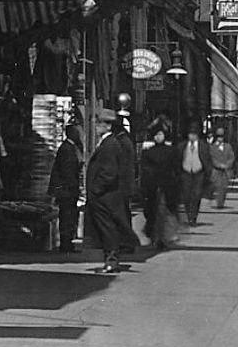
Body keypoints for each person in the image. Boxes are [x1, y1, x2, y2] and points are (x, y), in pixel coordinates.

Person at [85, 110, 138, 273]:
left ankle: (111, 260)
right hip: (105, 196)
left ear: (106, 125)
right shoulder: (107, 142)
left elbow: (109, 172)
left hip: (105, 197)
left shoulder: (110, 144)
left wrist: (95, 190)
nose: (95, 127)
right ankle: (110, 258)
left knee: (108, 229)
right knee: (107, 228)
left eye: (98, 123)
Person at [139, 117, 182, 249]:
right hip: (152, 187)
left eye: (161, 134)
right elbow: (144, 170)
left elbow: (177, 169)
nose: (158, 137)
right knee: (152, 213)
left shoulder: (171, 151)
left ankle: (161, 237)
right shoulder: (148, 152)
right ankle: (154, 236)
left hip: (166, 187)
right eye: (156, 135)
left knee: (163, 213)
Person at [48, 124, 83, 253]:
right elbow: (68, 172)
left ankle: (67, 243)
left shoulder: (69, 147)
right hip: (66, 190)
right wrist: (75, 188)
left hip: (67, 189)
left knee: (68, 216)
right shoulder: (67, 149)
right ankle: (66, 244)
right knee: (67, 216)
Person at [178, 121, 213, 226]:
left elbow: (208, 159)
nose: (192, 136)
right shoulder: (182, 146)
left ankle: (193, 217)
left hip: (199, 173)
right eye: (190, 134)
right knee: (186, 196)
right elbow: (177, 159)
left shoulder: (203, 146)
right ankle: (189, 215)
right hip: (186, 173)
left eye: (194, 134)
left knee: (196, 196)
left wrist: (208, 173)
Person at [208, 124, 236, 209]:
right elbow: (211, 158)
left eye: (222, 136)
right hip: (216, 171)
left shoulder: (228, 147)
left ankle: (221, 202)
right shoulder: (212, 147)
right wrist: (219, 165)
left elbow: (232, 157)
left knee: (224, 187)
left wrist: (227, 165)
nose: (221, 138)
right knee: (218, 187)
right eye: (219, 136)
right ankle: (219, 203)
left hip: (226, 171)